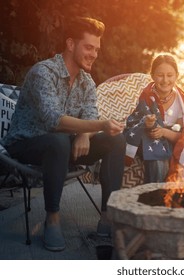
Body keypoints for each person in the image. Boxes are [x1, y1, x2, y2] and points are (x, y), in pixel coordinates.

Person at [0, 17, 126, 251]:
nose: (94, 54)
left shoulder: (87, 82)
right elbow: (53, 121)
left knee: (115, 139)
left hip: (65, 146)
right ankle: (52, 218)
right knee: (58, 141)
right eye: (89, 47)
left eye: (97, 49)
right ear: (70, 44)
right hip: (27, 143)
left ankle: (107, 218)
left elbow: (89, 117)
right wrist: (92, 126)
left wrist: (84, 135)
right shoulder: (43, 72)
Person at [124, 53, 184, 183]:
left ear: (177, 76)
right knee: (157, 157)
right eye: (160, 75)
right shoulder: (146, 97)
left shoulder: (181, 103)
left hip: (172, 141)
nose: (165, 80)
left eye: (170, 75)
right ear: (152, 76)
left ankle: (178, 197)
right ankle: (154, 195)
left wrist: (164, 132)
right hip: (148, 140)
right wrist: (148, 123)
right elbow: (136, 123)